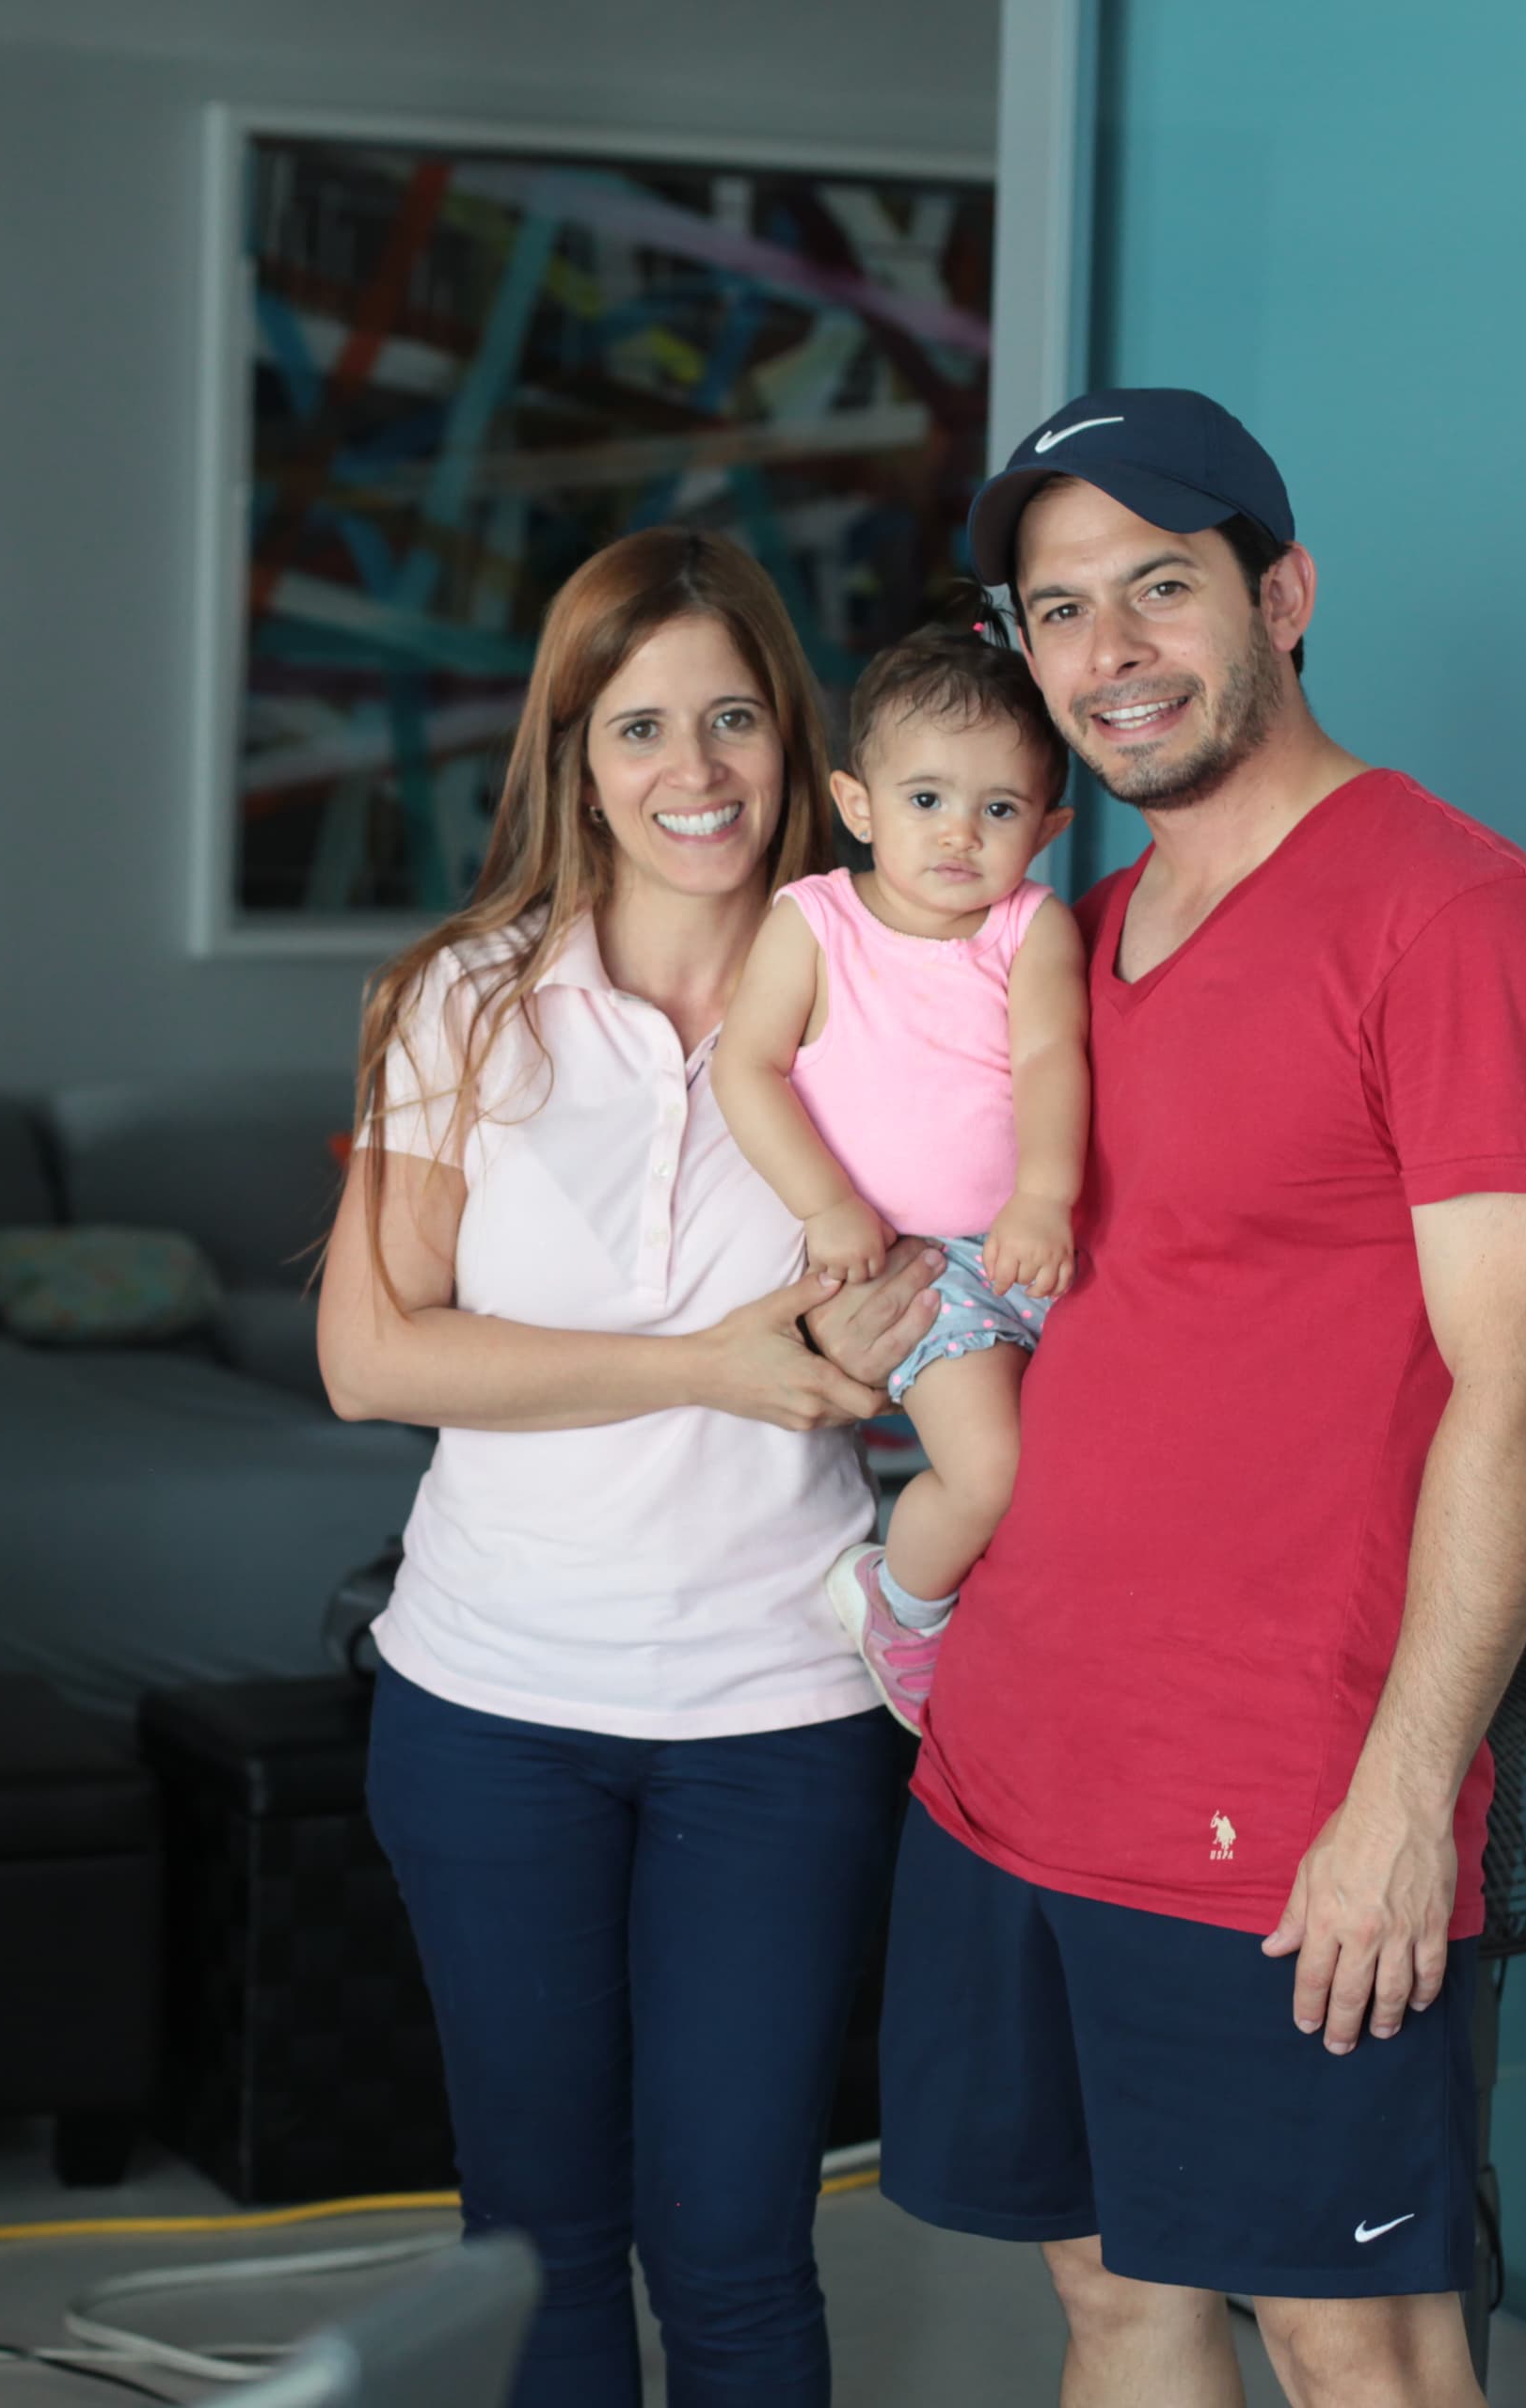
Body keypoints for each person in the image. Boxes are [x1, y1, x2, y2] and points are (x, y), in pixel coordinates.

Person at [877, 388, 1526, 2408]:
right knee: (1116, 2297)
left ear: (1282, 596)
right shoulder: (1080, 941)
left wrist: (1400, 1800)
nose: (1110, 653)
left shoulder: (1456, 921)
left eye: (1160, 589)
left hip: (1282, 1808)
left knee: (1355, 2337)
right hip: (1022, 1758)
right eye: (1059, 611)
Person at [317, 523, 946, 2408]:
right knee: (540, 2231)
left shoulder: (895, 1002)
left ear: (796, 740)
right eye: (640, 725)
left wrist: (900, 1326)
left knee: (740, 2241)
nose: (695, 773)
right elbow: (370, 1353)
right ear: (574, 756)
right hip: (490, 1704)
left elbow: (961, 1288)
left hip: (780, 1708)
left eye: (735, 717)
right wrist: (707, 1367)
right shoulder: (469, 1001)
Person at [712, 607, 1085, 1732]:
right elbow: (747, 1070)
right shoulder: (816, 921)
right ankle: (903, 1603)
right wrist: (828, 1206)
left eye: (999, 808)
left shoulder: (1030, 926)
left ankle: (1024, 1638)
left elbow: (1051, 1056)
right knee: (990, 1474)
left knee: (1084, 1485)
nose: (960, 834)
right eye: (926, 801)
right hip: (920, 1266)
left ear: (1049, 827)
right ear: (858, 804)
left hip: (1039, 1247)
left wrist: (1047, 1195)